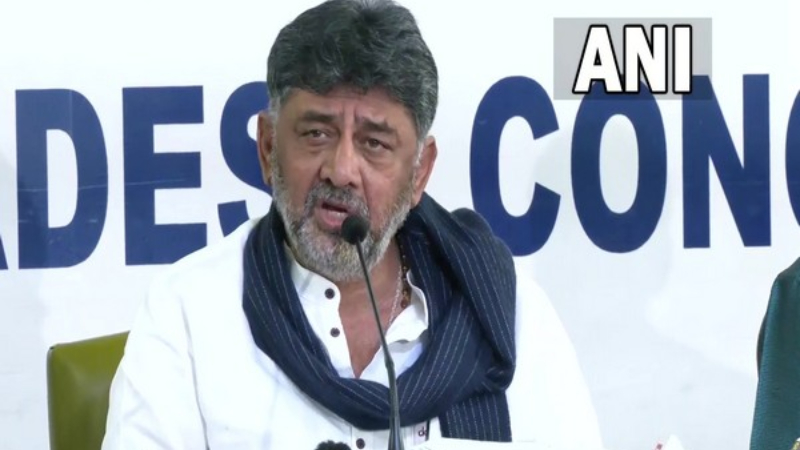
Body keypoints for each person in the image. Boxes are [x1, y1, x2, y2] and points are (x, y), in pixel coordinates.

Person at [101, 1, 605, 449]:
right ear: (268, 148)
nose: (341, 170)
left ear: (419, 173)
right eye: (316, 134)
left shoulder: (505, 311)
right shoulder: (187, 315)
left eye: (374, 143)